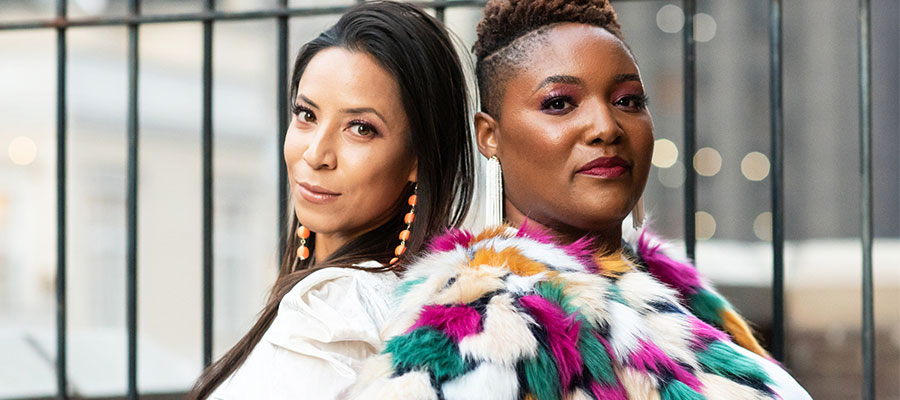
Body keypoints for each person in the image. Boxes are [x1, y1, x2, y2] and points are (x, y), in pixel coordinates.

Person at [344, 0, 812, 399]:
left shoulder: (685, 302)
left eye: (628, 101)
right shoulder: (480, 329)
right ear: (490, 135)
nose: (606, 127)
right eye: (559, 103)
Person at [189, 1, 474, 398]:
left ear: (418, 159)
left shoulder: (335, 307)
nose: (316, 154)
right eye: (306, 115)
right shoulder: (390, 299)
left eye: (360, 128)